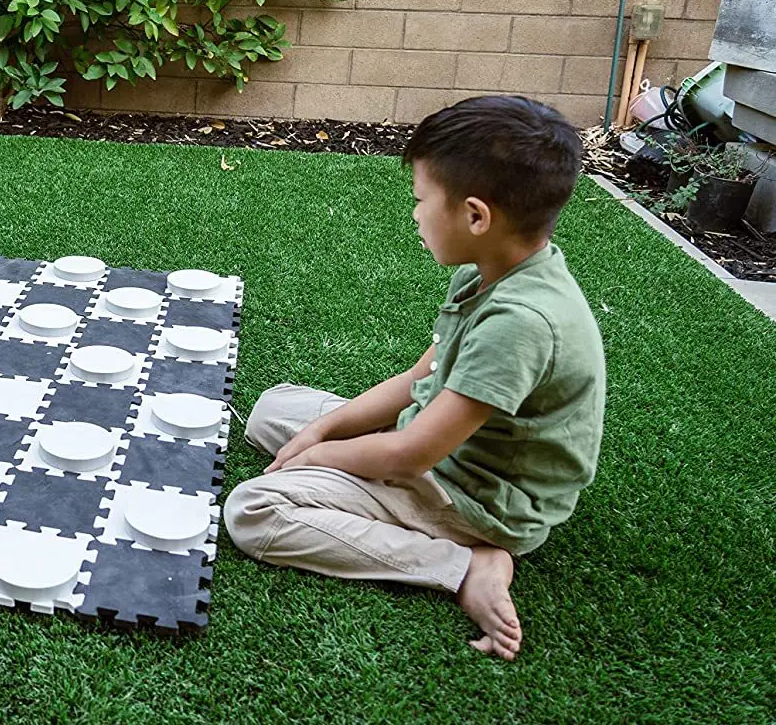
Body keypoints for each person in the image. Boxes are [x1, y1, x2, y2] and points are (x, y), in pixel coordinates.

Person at [222, 95, 606, 661]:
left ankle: (466, 563)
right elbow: (417, 379)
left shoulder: (521, 323)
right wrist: (321, 430)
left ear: (476, 216)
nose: (415, 214)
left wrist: (319, 456)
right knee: (272, 410)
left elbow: (409, 456)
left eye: (421, 200)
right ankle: (346, 462)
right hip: (437, 441)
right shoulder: (489, 270)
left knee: (254, 511)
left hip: (475, 495)